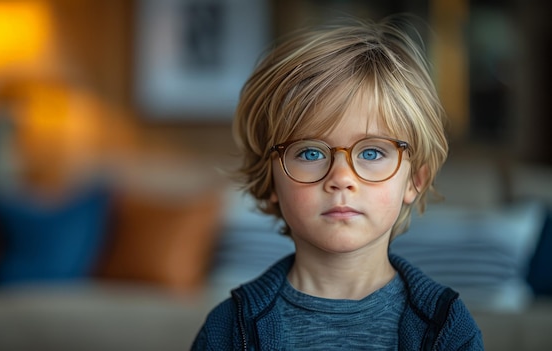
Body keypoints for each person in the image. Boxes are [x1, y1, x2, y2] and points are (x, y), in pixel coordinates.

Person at [192, 16, 484, 351]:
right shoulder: (229, 329)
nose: (341, 178)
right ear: (270, 177)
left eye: (372, 152)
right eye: (311, 153)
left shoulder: (447, 327)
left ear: (415, 179)